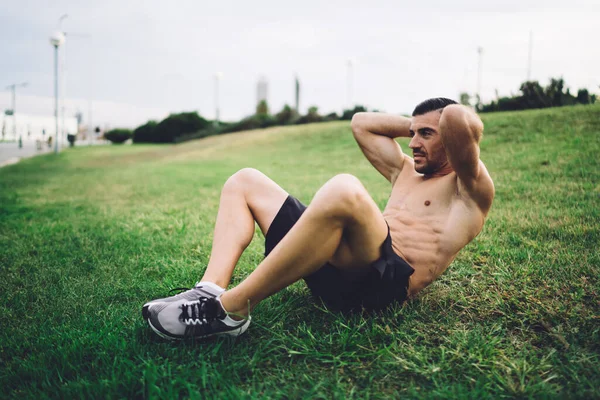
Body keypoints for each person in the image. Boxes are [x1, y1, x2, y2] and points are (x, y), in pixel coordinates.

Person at [142, 98, 495, 340]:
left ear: (450, 140)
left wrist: (442, 121)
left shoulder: (469, 188)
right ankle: (209, 290)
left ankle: (231, 310)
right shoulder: (405, 171)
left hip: (379, 288)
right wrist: (418, 123)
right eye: (412, 134)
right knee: (244, 180)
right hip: (336, 269)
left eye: (426, 135)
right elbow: (361, 124)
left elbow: (459, 121)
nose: (413, 143)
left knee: (345, 188)